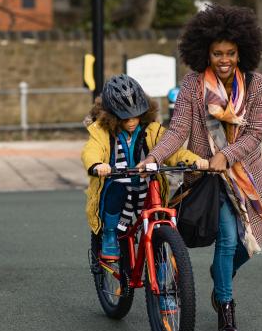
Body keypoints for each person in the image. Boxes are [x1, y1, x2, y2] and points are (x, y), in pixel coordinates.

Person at [138, 4, 262, 331]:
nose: (224, 60)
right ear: (206, 52)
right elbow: (177, 131)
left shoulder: (259, 86)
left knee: (254, 239)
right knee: (228, 237)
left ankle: (220, 281)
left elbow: (254, 135)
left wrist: (227, 155)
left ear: (242, 52)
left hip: (247, 174)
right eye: (217, 53)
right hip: (209, 176)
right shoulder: (193, 85)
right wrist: (153, 157)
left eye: (230, 53)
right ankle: (226, 310)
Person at [81, 74, 208, 313]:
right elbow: (91, 151)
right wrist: (98, 165)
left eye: (136, 114)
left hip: (146, 190)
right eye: (124, 116)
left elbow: (172, 151)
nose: (131, 121)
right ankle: (109, 234)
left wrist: (195, 160)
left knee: (164, 235)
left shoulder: (153, 130)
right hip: (117, 188)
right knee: (117, 187)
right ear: (110, 114)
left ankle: (167, 290)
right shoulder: (100, 131)